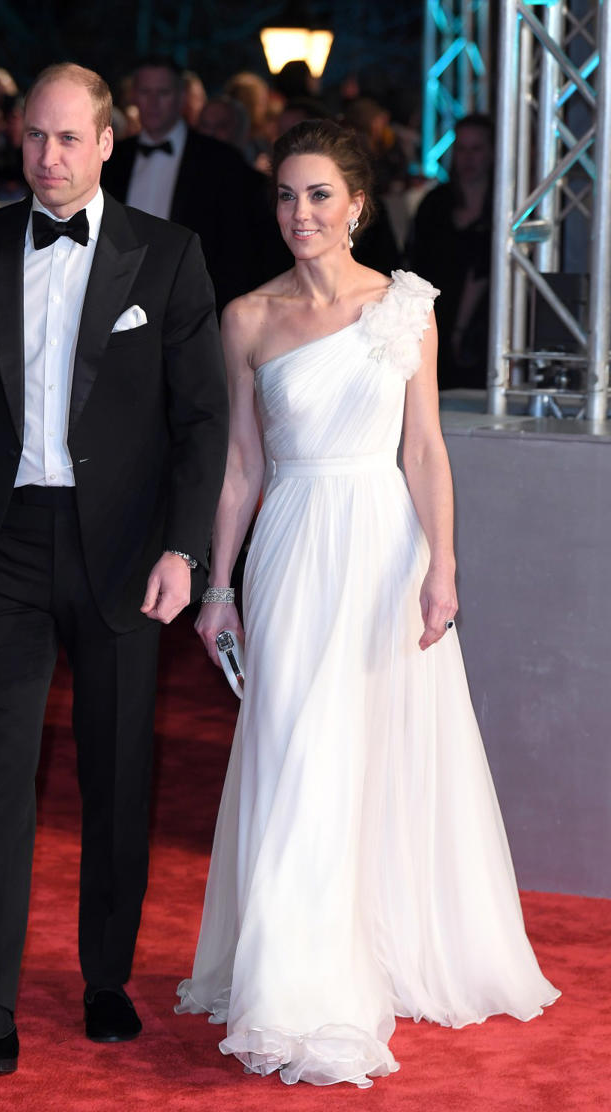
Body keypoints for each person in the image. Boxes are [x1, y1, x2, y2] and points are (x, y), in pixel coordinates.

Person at [175, 120, 559, 1087]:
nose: (298, 215)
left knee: (372, 752)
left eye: (317, 196)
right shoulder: (247, 318)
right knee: (301, 750)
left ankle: (369, 948)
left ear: (356, 204)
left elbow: (425, 449)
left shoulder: (405, 308)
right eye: (285, 196)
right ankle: (297, 984)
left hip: (384, 547)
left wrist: (445, 567)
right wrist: (218, 587)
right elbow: (240, 468)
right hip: (294, 551)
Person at [0, 62, 228, 1074]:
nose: (47, 156)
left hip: (124, 552)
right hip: (2, 545)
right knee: (0, 772)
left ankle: (105, 979)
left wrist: (185, 547)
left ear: (108, 142)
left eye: (68, 138)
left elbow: (201, 419)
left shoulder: (166, 257)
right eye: (34, 137)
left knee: (116, 769)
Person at [101, 56, 272, 313]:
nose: (153, 102)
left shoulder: (221, 161)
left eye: (163, 92)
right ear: (133, 96)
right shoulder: (111, 158)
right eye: (146, 92)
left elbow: (239, 248)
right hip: (118, 304)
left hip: (194, 306)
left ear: (182, 97)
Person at [408, 114, 494, 390]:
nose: (468, 158)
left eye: (476, 149)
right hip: (436, 323)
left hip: (490, 329)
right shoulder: (435, 204)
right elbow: (415, 265)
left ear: (492, 152)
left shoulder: (507, 206)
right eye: (461, 149)